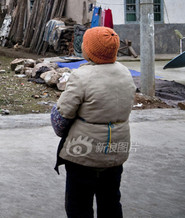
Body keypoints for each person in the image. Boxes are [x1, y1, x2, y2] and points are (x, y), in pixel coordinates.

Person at [51, 27, 136, 218]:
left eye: (84, 43)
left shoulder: (81, 76)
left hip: (83, 154)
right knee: (111, 201)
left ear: (90, 50)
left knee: (79, 206)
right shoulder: (125, 73)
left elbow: (61, 118)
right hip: (116, 151)